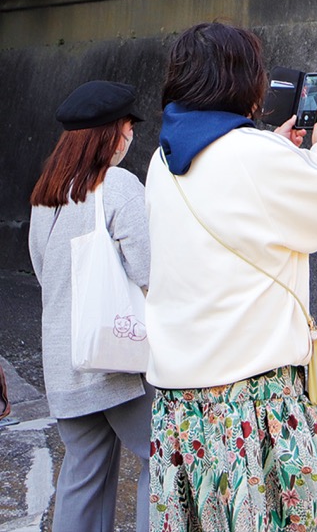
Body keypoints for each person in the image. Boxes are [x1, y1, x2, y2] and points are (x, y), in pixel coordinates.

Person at [143, 22, 317, 531]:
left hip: (183, 405)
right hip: (254, 403)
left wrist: (274, 147)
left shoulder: (162, 158)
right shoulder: (252, 154)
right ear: (244, 81)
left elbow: (232, 183)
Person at [29, 80, 152, 532]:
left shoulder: (47, 198)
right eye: (127, 127)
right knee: (160, 461)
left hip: (64, 363)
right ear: (109, 135)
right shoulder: (117, 185)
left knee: (82, 476)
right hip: (116, 360)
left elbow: (46, 274)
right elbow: (149, 271)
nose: (131, 136)